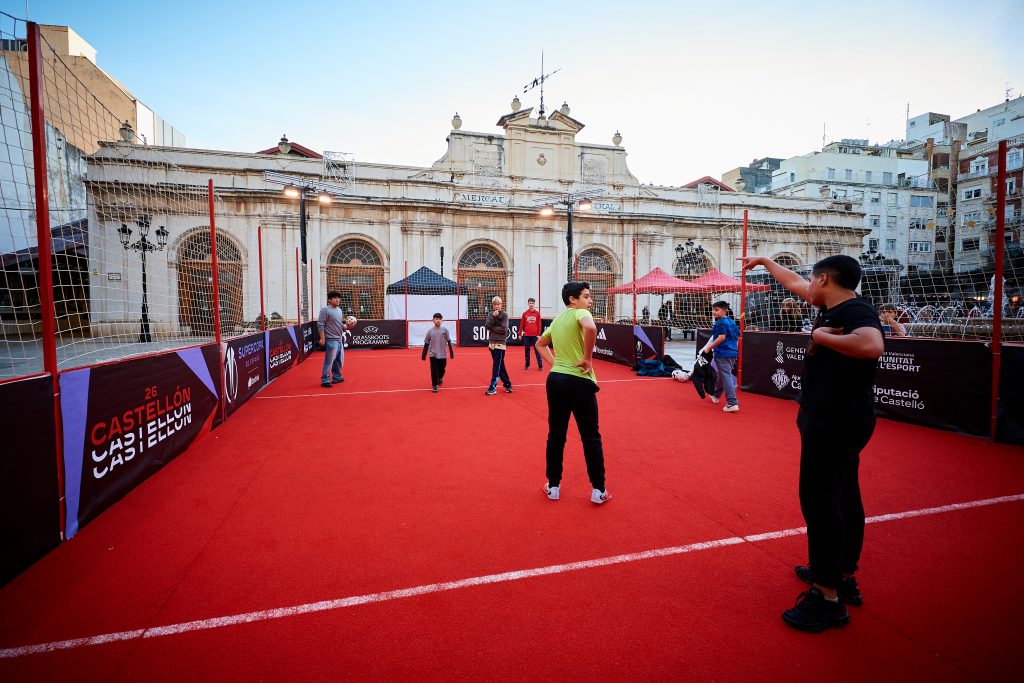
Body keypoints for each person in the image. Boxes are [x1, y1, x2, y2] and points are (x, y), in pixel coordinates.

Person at [740, 254, 884, 633]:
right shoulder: (834, 302)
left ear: (824, 279)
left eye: (812, 279)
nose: (806, 285)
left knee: (822, 502)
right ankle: (840, 573)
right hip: (837, 417)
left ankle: (827, 597)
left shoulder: (854, 312)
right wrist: (766, 262)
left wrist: (818, 335)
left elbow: (871, 345)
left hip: (835, 420)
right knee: (844, 495)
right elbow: (792, 283)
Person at [536, 282, 610, 505]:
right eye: (586, 296)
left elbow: (540, 344)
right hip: (579, 381)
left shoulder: (557, 319)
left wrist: (555, 364)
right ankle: (599, 490)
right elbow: (591, 328)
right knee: (590, 436)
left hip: (556, 380)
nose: (590, 301)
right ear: (573, 299)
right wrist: (587, 357)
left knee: (556, 435)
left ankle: (554, 486)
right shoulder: (581, 312)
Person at [699, 301, 740, 412]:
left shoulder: (720, 323)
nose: (713, 312)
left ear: (724, 310)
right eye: (713, 309)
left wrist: (708, 348)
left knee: (725, 375)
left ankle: (732, 402)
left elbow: (721, 337)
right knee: (722, 374)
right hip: (733, 353)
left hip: (722, 353)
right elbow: (737, 336)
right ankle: (716, 396)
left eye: (716, 310)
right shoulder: (732, 322)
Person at [317, 291, 355, 388]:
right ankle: (325, 380)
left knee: (339, 360)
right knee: (329, 361)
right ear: (329, 300)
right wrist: (322, 338)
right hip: (330, 340)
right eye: (335, 298)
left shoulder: (339, 310)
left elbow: (340, 325)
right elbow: (320, 324)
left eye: (339, 298)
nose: (338, 299)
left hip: (339, 339)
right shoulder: (325, 310)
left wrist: (348, 327)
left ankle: (337, 377)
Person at [484, 295, 513, 395]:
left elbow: (504, 329)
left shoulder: (504, 315)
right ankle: (508, 384)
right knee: (500, 364)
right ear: (493, 305)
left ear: (501, 305)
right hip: (492, 342)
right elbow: (487, 326)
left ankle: (492, 387)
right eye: (495, 304)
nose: (496, 306)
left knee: (497, 364)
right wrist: (493, 318)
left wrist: (493, 328)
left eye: (498, 304)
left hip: (500, 343)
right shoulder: (490, 314)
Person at [421, 313, 455, 393]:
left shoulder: (445, 330)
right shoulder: (430, 331)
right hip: (433, 354)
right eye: (436, 319)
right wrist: (424, 354)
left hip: (443, 354)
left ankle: (440, 378)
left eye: (440, 319)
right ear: (433, 320)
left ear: (442, 320)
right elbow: (426, 343)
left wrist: (451, 352)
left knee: (442, 369)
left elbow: (449, 341)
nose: (438, 321)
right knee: (434, 370)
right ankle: (434, 385)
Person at [520, 297, 543, 371]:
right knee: (527, 350)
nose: (531, 304)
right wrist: (520, 334)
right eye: (530, 303)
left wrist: (538, 334)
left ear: (534, 304)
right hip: (526, 335)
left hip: (535, 335)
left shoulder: (537, 314)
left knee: (537, 350)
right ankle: (527, 365)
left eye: (533, 303)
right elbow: (521, 324)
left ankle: (540, 365)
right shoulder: (525, 314)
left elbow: (539, 324)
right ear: (528, 304)